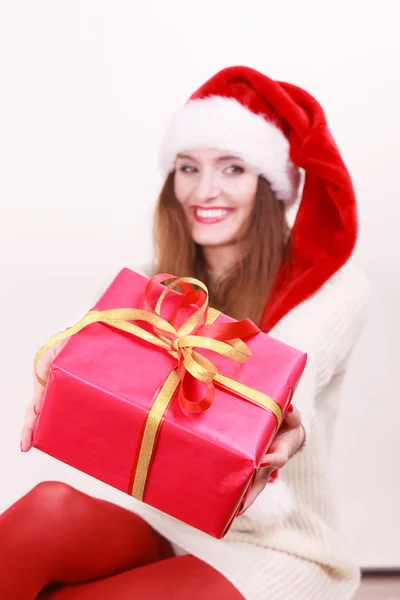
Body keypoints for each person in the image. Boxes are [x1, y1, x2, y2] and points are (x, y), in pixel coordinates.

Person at [1, 66, 368, 599]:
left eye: (233, 168)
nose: (204, 190)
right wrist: (65, 357)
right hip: (173, 524)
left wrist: (286, 421)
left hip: (279, 548)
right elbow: (115, 373)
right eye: (188, 168)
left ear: (270, 185)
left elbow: (300, 372)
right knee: (46, 508)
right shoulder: (162, 281)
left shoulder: (332, 285)